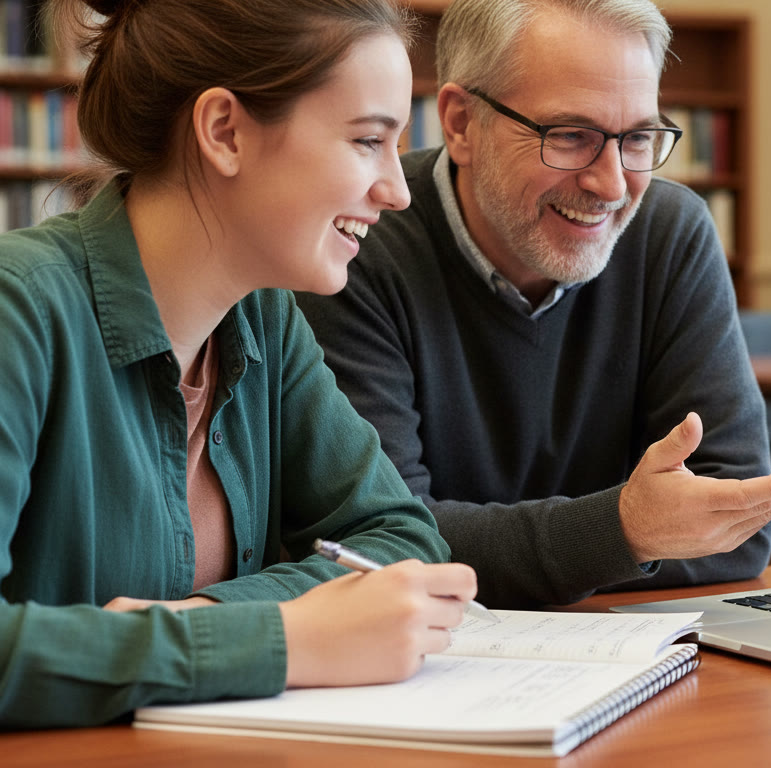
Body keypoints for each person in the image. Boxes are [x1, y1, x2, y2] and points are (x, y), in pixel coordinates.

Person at [0, 0, 478, 729]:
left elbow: (400, 540)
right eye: (366, 141)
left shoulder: (264, 319)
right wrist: (285, 639)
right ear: (224, 131)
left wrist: (200, 621)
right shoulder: (20, 311)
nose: (398, 188)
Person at [296, 0, 771, 609]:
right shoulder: (357, 242)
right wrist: (626, 531)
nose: (613, 184)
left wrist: (577, 545)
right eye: (570, 136)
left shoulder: (670, 232)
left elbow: (735, 527)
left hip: (635, 655)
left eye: (639, 138)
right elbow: (377, 545)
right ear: (461, 124)